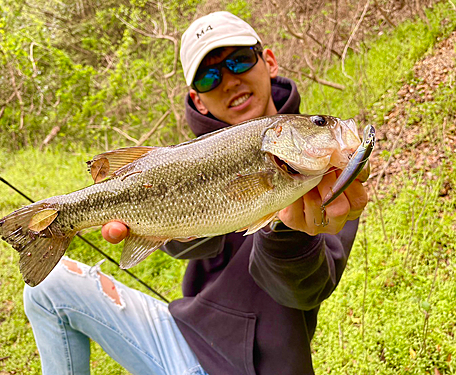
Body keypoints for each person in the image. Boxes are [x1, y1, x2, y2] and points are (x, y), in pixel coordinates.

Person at [23, 11, 368, 375]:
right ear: (197, 99)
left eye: (239, 60)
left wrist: (286, 228)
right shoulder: (187, 156)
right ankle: (63, 217)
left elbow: (304, 291)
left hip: (255, 368)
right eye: (209, 76)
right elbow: (188, 242)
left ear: (268, 61)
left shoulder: (332, 181)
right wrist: (146, 220)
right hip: (181, 338)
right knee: (48, 288)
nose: (229, 80)